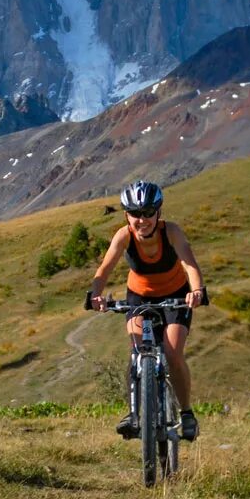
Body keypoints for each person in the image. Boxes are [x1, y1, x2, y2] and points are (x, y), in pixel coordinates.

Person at [87, 180, 207, 441]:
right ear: (126, 215)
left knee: (174, 354)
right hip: (138, 297)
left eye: (148, 213)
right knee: (138, 352)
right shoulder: (124, 235)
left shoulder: (171, 232)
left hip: (175, 296)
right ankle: (134, 413)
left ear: (158, 213)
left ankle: (186, 413)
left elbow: (190, 264)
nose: (142, 220)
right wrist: (95, 294)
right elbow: (104, 269)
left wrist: (196, 291)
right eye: (135, 214)